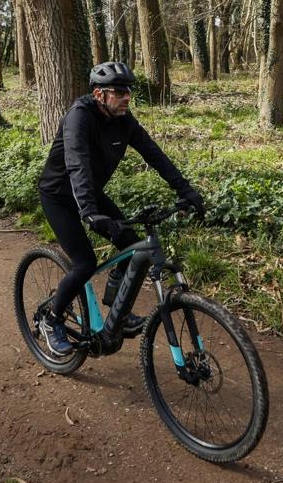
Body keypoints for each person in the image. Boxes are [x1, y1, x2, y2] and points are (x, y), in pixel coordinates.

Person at [36, 61, 205, 355]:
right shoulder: (79, 117)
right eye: (119, 91)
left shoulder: (123, 120)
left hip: (91, 194)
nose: (126, 97)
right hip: (60, 196)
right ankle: (51, 320)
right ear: (100, 94)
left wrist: (186, 190)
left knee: (131, 246)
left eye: (128, 91)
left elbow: (155, 155)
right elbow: (77, 164)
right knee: (84, 263)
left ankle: (117, 312)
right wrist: (90, 212)